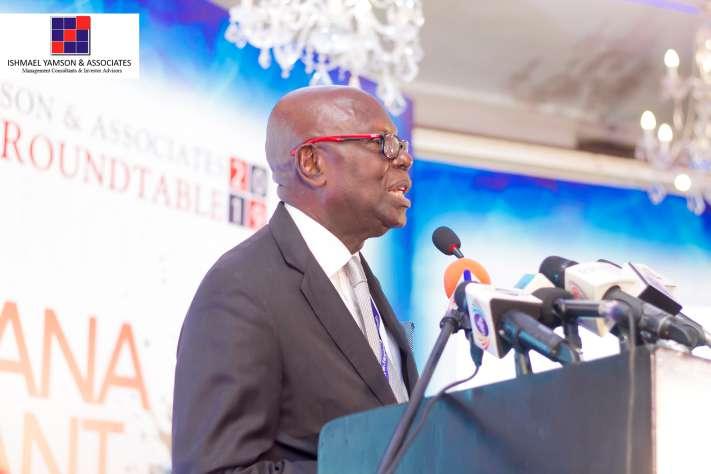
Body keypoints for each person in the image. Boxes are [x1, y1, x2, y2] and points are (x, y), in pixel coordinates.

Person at [172, 85, 418, 473]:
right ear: (311, 163)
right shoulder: (241, 288)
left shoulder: (361, 283)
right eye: (383, 144)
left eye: (400, 144)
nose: (404, 158)